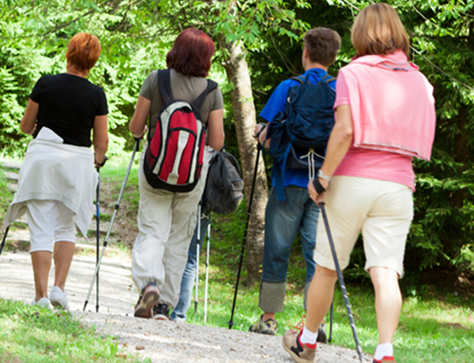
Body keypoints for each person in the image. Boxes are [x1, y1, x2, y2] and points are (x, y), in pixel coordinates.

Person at [281, 3, 436, 363]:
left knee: (327, 266)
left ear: (360, 34)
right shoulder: (420, 80)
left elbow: (346, 130)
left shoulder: (353, 73)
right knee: (386, 271)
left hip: (353, 179)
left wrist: (323, 177)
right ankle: (384, 356)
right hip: (399, 183)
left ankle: (307, 341)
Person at [1, 32, 109, 311]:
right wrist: (98, 160)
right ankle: (59, 288)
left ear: (68, 54)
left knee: (40, 229)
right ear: (94, 61)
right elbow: (101, 142)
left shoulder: (45, 83)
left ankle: (41, 297)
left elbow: (26, 126)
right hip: (76, 166)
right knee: (65, 229)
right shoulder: (97, 94)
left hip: (43, 163)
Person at [248, 27, 342, 336]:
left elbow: (265, 135)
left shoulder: (288, 87)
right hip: (325, 185)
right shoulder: (341, 91)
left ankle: (269, 317)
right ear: (334, 57)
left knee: (277, 246)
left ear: (305, 53)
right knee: (318, 252)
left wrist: (259, 135)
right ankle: (313, 324)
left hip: (288, 179)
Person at [128, 28, 225, 321]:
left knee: (152, 230)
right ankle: (163, 306)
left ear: (176, 50)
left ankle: (148, 284)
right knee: (179, 239)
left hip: (155, 171)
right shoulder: (212, 90)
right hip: (191, 177)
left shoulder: (155, 80)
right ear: (206, 58)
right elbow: (217, 142)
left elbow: (135, 127)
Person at [169, 212, 209, 322]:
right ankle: (179, 314)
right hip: (205, 208)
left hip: (186, 204)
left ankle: (159, 308)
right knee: (190, 261)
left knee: (170, 253)